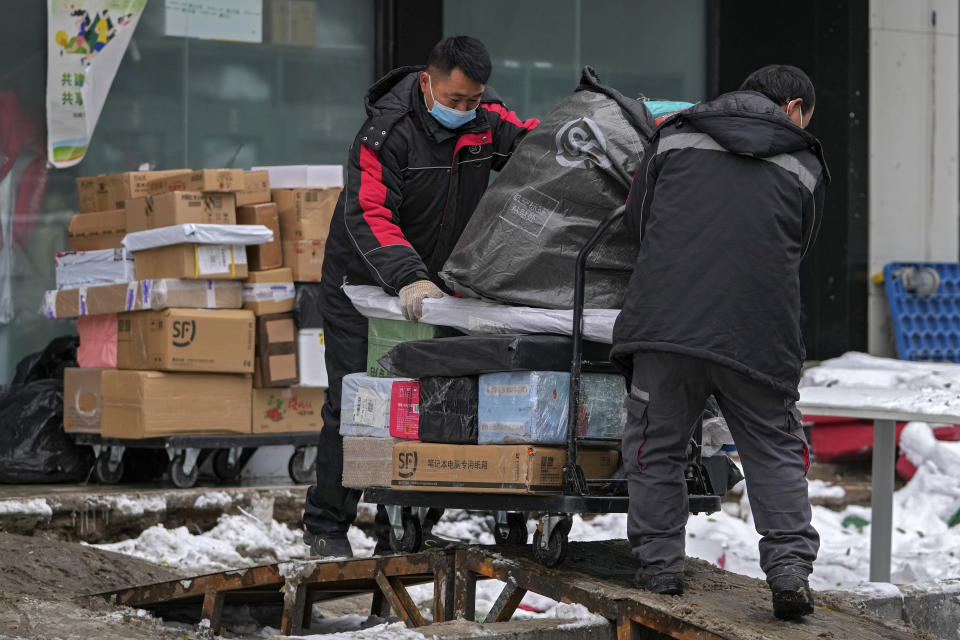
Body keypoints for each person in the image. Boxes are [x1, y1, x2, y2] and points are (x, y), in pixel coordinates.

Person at [301, 36, 538, 558]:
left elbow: (536, 148)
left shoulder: (485, 120)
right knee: (355, 405)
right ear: (428, 81)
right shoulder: (385, 134)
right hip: (362, 289)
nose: (464, 110)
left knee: (437, 407)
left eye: (473, 100)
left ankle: (404, 529)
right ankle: (326, 525)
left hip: (435, 293)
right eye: (455, 100)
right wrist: (406, 274)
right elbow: (368, 214)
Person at [611, 64, 830, 620]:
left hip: (668, 324)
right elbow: (797, 243)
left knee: (654, 447)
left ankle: (659, 568)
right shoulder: (804, 161)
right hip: (758, 335)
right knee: (774, 452)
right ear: (795, 109)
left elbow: (638, 224)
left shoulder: (675, 136)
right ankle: (788, 573)